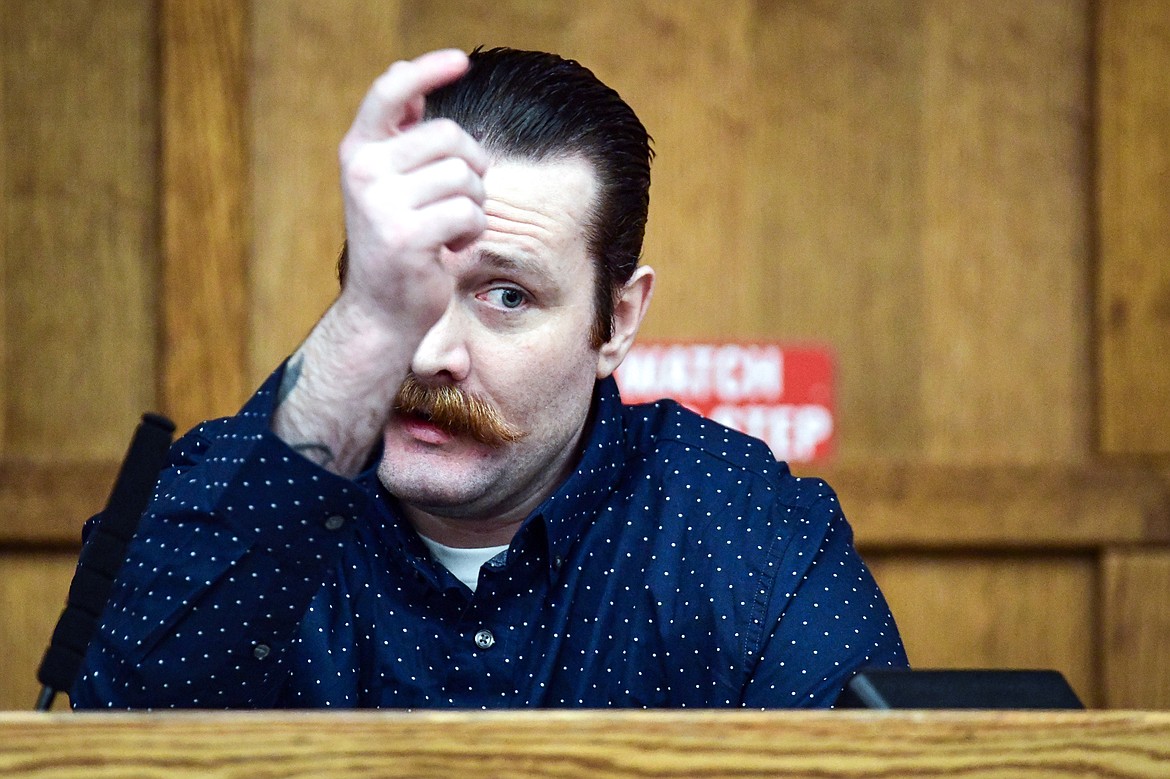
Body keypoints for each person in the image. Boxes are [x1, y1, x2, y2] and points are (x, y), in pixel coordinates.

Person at [72, 46, 906, 710]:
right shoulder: (215, 501)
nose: (433, 350)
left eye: (506, 295)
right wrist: (366, 322)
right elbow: (120, 723)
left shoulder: (749, 539)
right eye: (404, 281)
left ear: (616, 321)